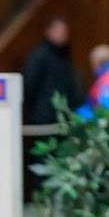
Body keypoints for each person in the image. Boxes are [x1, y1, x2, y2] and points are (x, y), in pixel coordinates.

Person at [22, 17, 85, 195]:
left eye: (65, 32)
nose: (62, 35)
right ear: (49, 32)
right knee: (44, 160)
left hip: (64, 119)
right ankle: (44, 196)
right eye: (59, 31)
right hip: (44, 119)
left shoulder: (66, 55)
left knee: (63, 158)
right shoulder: (39, 55)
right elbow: (30, 86)